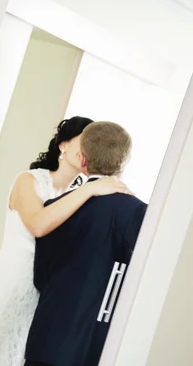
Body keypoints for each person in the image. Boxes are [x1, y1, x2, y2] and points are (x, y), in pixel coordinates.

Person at [0, 117, 132, 366]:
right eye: (83, 141)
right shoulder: (29, 180)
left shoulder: (83, 194)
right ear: (63, 145)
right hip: (12, 280)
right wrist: (90, 189)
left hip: (47, 291)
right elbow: (37, 224)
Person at [25, 121, 147, 366]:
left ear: (82, 159)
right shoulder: (138, 213)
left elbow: (40, 278)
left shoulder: (53, 208)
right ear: (125, 160)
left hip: (46, 337)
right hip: (93, 341)